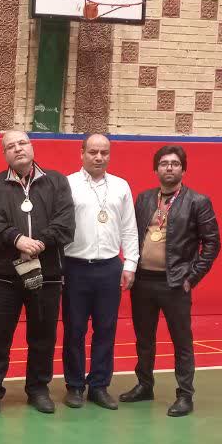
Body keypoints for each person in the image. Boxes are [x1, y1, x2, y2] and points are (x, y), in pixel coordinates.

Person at [0, 130, 74, 414]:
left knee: (43, 336)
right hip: (3, 276)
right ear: (4, 154)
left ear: (32, 147)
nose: (17, 149)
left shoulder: (57, 182)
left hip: (47, 273)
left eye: (22, 143)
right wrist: (17, 239)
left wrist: (39, 243)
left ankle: (38, 389)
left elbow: (65, 221)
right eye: (10, 146)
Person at [120, 144, 221, 417]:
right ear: (156, 169)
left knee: (181, 341)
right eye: (164, 163)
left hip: (175, 283)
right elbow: (132, 235)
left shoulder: (197, 201)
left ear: (183, 170)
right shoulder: (144, 199)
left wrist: (192, 277)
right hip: (143, 282)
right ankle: (144, 385)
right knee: (144, 338)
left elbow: (212, 243)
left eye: (175, 164)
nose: (169, 168)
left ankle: (185, 395)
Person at [60, 134, 138, 410]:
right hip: (74, 266)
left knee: (106, 329)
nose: (99, 157)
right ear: (81, 153)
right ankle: (74, 385)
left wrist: (130, 264)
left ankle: (99, 386)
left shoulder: (120, 186)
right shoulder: (67, 184)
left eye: (104, 152)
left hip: (109, 267)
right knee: (74, 330)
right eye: (93, 152)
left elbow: (129, 228)